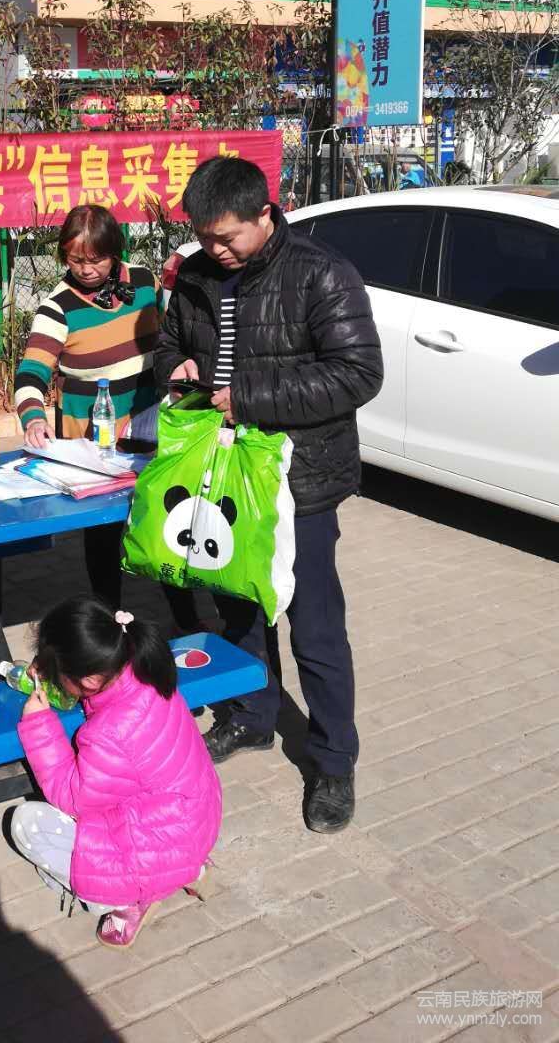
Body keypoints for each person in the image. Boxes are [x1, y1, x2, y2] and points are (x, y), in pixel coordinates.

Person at [156, 156, 383, 833]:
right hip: (221, 473)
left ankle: (334, 761)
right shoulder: (196, 273)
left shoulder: (321, 272)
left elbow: (358, 373)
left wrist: (249, 397)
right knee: (238, 610)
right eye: (204, 238)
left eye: (227, 237)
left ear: (264, 214)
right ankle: (251, 715)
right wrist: (176, 366)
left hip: (297, 479)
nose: (215, 250)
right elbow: (168, 344)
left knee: (314, 625)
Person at [11, 597, 221, 948]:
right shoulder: (141, 666)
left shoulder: (110, 733)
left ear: (91, 679)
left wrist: (38, 725)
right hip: (195, 820)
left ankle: (127, 901)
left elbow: (70, 796)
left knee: (26, 823)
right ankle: (188, 867)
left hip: (164, 844)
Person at [14, 205, 161, 608]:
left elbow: (173, 337)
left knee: (160, 515)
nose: (85, 269)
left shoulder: (145, 283)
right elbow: (31, 372)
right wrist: (33, 417)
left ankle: (185, 614)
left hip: (149, 423)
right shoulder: (57, 306)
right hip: (93, 439)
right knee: (103, 532)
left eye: (95, 259)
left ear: (114, 251)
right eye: (75, 259)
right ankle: (108, 615)